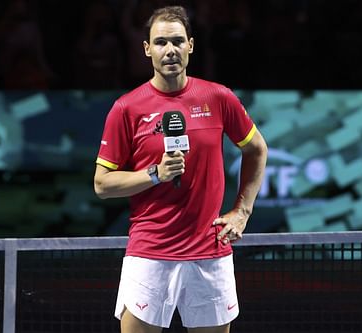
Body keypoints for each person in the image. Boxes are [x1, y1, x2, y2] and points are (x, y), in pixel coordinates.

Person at [94, 5, 267, 333]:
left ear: (190, 45)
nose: (169, 50)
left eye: (177, 41)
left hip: (209, 252)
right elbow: (102, 184)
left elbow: (257, 149)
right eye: (160, 42)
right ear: (147, 49)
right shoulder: (126, 109)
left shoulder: (218, 97)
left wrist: (242, 210)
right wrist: (155, 173)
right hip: (151, 252)